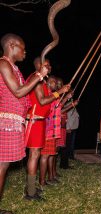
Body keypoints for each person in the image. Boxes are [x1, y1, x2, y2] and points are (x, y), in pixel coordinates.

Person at [0, 33, 48, 210]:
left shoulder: (14, 68)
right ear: (11, 45)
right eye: (22, 48)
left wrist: (28, 115)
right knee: (1, 166)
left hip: (13, 124)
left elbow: (23, 99)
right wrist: (39, 76)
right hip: (4, 124)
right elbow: (18, 92)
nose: (25, 52)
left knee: (3, 166)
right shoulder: (3, 63)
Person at [25, 58, 69, 199]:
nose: (50, 67)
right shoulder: (36, 79)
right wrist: (59, 91)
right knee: (34, 155)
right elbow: (42, 101)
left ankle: (31, 187)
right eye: (47, 64)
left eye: (50, 64)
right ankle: (30, 191)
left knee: (36, 155)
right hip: (34, 120)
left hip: (40, 121)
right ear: (39, 65)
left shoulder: (41, 81)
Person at [60, 97, 79, 169]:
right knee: (66, 147)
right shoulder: (67, 106)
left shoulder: (71, 105)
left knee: (68, 146)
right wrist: (68, 127)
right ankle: (64, 165)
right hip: (68, 129)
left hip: (71, 128)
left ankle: (65, 163)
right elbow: (68, 117)